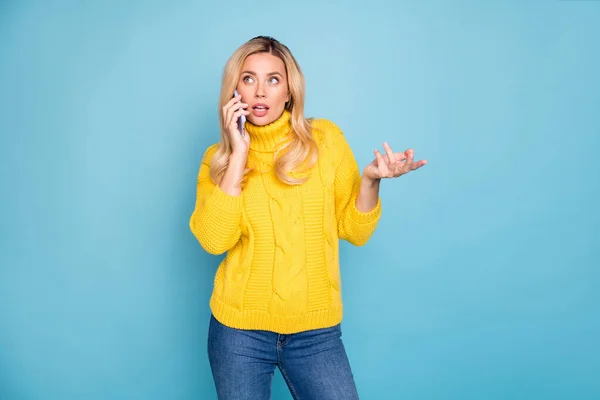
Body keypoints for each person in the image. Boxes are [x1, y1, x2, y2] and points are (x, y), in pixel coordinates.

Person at [189, 35, 427, 400]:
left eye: (273, 80)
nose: (260, 92)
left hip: (316, 331)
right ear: (234, 90)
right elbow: (213, 240)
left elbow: (354, 230)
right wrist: (238, 156)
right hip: (239, 332)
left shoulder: (325, 140)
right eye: (248, 79)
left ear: (289, 92)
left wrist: (370, 181)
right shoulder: (217, 159)